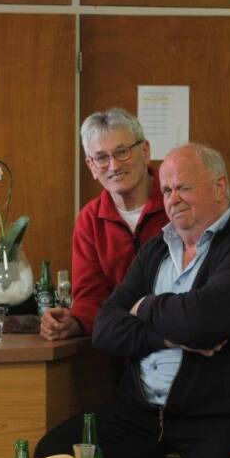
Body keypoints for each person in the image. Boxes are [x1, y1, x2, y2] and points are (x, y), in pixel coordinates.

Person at [35, 144, 230, 458]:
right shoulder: (156, 250)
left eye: (183, 188)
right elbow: (105, 327)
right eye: (166, 190)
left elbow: (201, 322)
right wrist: (168, 338)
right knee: (53, 451)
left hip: (218, 418)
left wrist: (145, 306)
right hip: (140, 413)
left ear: (219, 187)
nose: (173, 199)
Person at [41, 108, 168, 341]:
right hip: (123, 343)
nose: (114, 166)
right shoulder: (89, 220)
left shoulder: (176, 200)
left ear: (145, 151)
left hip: (181, 334)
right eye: (101, 158)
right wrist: (74, 322)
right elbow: (91, 298)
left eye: (122, 152)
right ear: (91, 166)